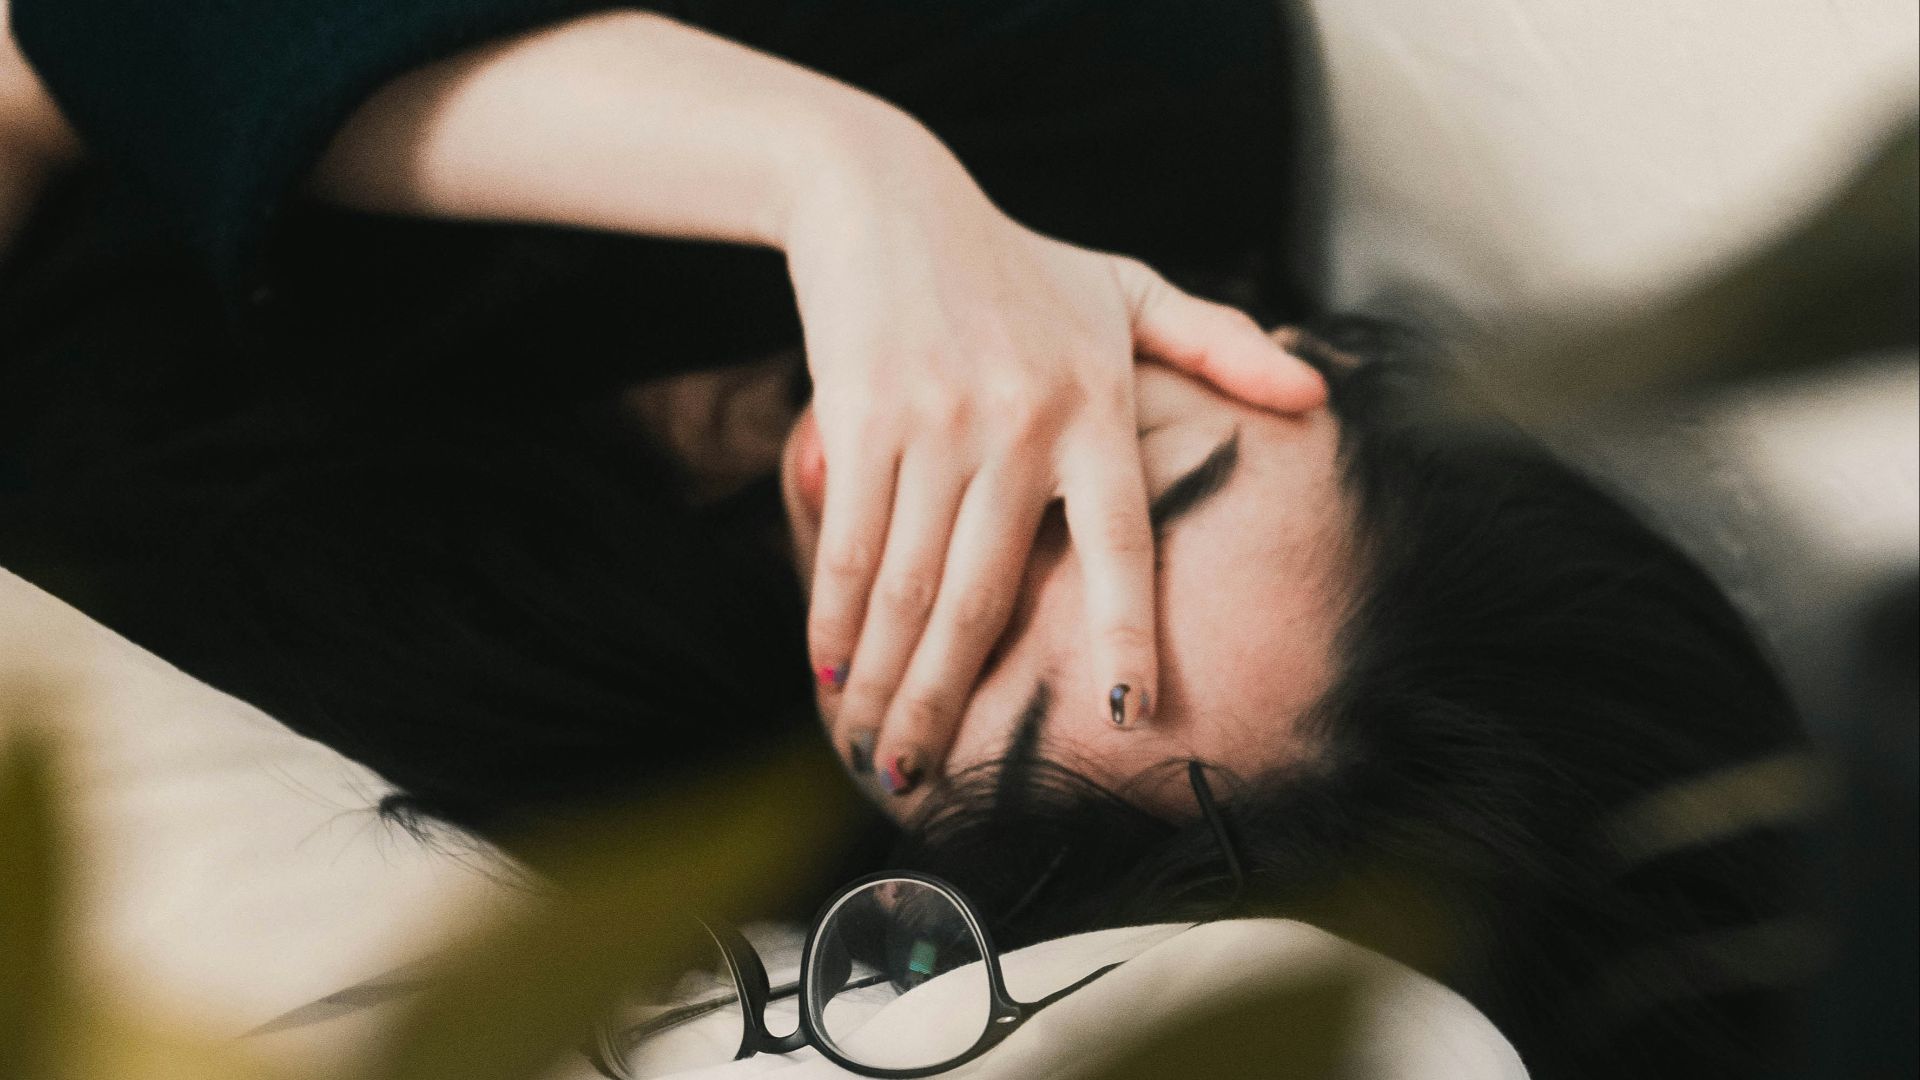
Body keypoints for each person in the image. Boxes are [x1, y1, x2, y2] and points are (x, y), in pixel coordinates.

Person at [0, 4, 1810, 1078]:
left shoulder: (582, 783)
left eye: (951, 683)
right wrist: (836, 171)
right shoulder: (1093, 68)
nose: (899, 507)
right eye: (1125, 486)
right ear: (1304, 365)